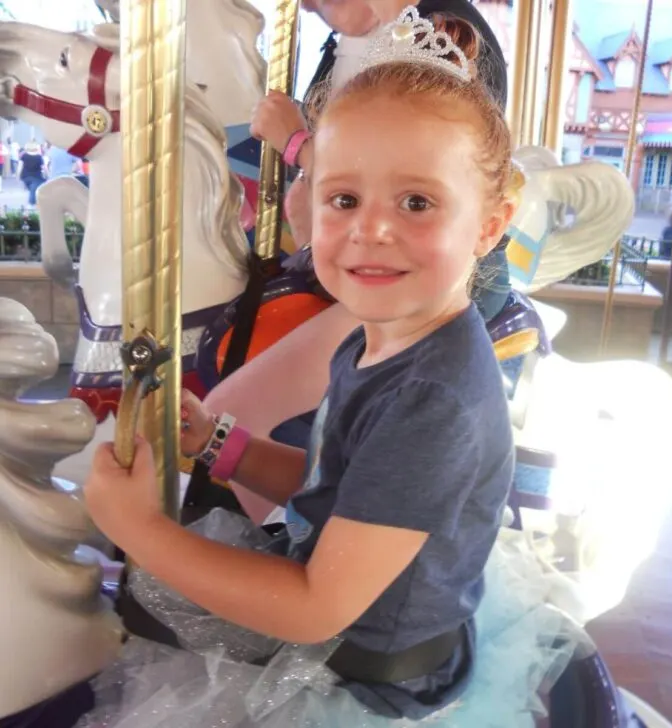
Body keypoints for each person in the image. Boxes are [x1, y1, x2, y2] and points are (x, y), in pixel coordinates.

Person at [77, 11, 578, 726]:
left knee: (146, 623)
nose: (371, 229)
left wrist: (141, 532)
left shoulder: (432, 399)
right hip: (346, 616)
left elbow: (315, 607)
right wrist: (223, 445)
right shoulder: (377, 336)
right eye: (344, 199)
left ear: (490, 224)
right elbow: (333, 485)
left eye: (416, 202)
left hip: (363, 675)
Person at [214, 0, 514, 522]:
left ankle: (283, 539)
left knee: (238, 405)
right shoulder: (339, 49)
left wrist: (297, 144)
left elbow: (427, 167)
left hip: (427, 282)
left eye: (415, 204)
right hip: (337, 259)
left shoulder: (444, 31)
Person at [16, 141, 46, 207]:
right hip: (37, 177)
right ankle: (31, 204)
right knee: (34, 189)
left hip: (25, 177)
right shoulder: (39, 157)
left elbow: (19, 167)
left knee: (33, 189)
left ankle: (33, 203)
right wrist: (47, 175)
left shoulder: (23, 156)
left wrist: (17, 177)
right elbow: (44, 168)